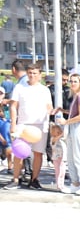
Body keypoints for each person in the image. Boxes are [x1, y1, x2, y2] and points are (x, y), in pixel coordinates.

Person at [5, 62, 52, 190]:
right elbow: (13, 106)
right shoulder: (20, 88)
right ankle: (15, 179)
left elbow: (49, 107)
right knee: (19, 152)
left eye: (34, 73)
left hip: (40, 126)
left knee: (38, 154)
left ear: (40, 75)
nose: (31, 75)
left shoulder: (45, 90)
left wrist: (51, 112)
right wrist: (13, 124)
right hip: (23, 125)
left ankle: (34, 179)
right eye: (30, 73)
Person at [55, 73, 80, 195]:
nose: (72, 83)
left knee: (79, 156)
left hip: (78, 127)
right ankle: (75, 183)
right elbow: (74, 113)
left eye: (75, 81)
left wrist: (66, 121)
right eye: (71, 81)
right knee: (70, 156)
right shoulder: (76, 96)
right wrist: (63, 111)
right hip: (72, 127)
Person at [49, 123, 67, 192]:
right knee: (58, 171)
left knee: (62, 171)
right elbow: (56, 139)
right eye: (57, 131)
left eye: (59, 131)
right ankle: (59, 185)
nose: (59, 132)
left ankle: (61, 184)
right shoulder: (53, 139)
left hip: (62, 157)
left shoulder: (62, 139)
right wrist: (61, 134)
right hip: (56, 157)